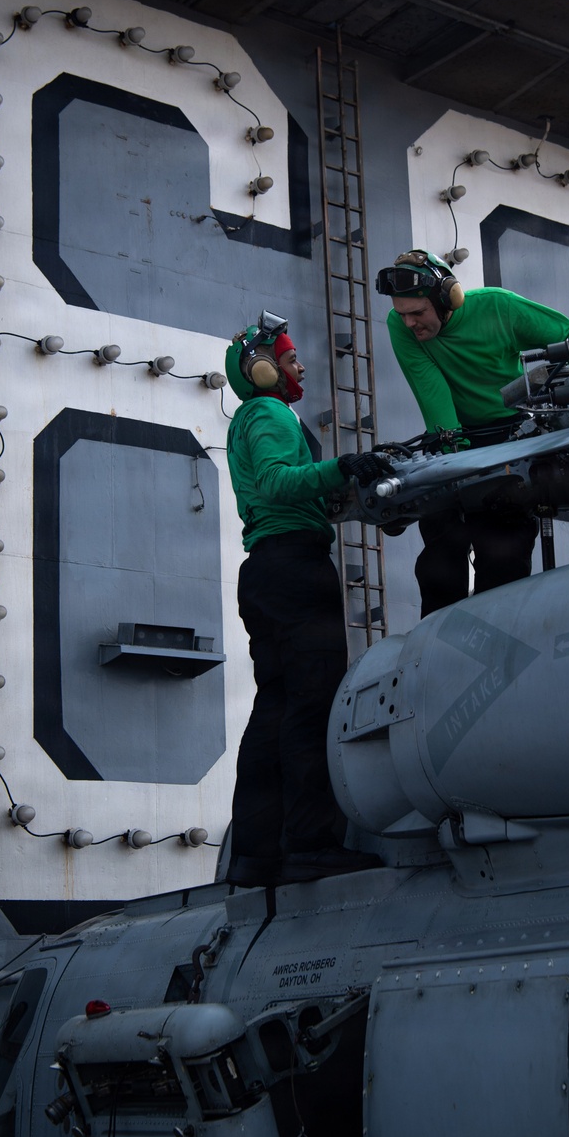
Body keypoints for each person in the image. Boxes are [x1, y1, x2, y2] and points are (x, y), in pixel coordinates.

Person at [223, 312, 389, 889]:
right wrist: (341, 467)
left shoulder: (250, 416)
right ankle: (312, 844)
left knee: (273, 710)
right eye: (290, 358)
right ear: (262, 369)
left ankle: (255, 854)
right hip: (295, 569)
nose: (300, 366)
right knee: (311, 709)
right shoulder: (269, 412)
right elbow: (275, 481)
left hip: (266, 572)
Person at [375, 249, 569, 617]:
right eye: (403, 314)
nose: (410, 323)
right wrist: (456, 464)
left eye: (418, 313)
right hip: (451, 439)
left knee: (503, 558)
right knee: (439, 559)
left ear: (448, 299)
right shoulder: (400, 325)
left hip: (512, 438)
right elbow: (432, 392)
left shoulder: (498, 307)